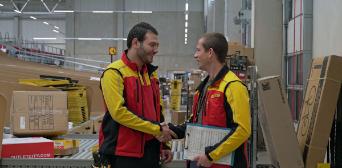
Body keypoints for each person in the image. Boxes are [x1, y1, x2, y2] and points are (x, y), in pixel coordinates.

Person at [168, 33, 251, 168]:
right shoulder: (204, 87)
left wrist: (211, 155)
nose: (195, 55)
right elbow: (195, 121)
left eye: (198, 50)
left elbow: (242, 130)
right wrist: (172, 131)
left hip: (220, 163)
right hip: (201, 160)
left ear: (210, 52)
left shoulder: (233, 86)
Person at [98, 22, 174, 168]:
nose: (156, 50)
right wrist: (157, 129)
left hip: (151, 151)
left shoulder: (150, 73)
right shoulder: (114, 72)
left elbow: (157, 111)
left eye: (157, 45)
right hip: (124, 154)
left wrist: (164, 144)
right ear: (135, 42)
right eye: (152, 45)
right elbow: (119, 113)